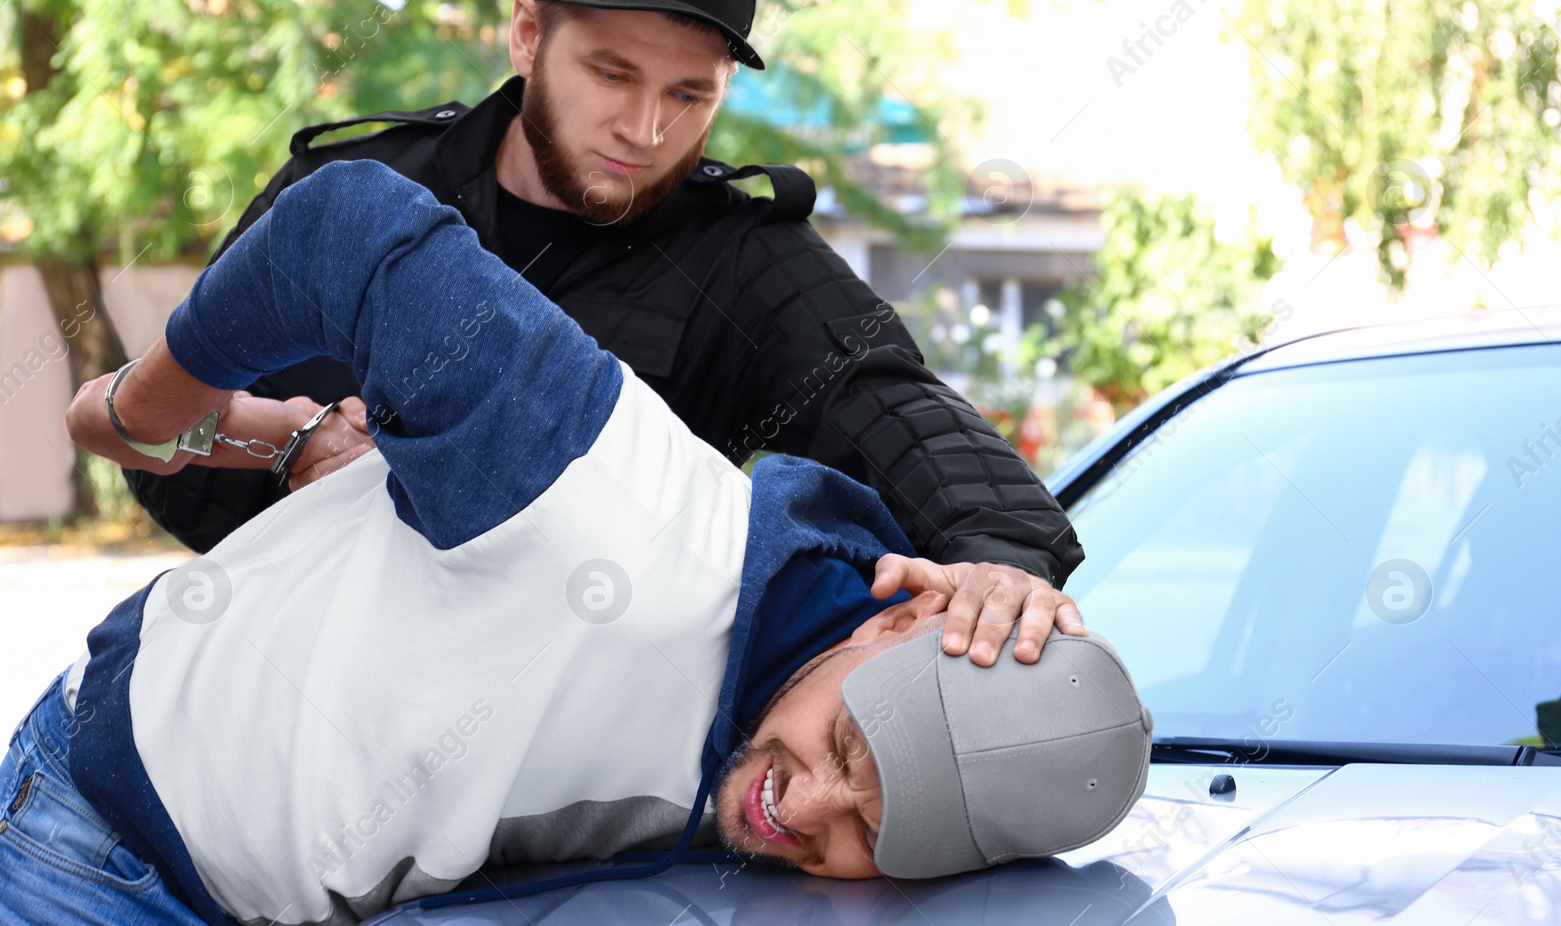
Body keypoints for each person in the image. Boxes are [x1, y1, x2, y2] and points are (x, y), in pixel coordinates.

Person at [3, 160, 1152, 926]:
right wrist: (146, 410)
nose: (803, 812)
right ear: (900, 614)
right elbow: (343, 227)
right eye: (845, 750)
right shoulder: (618, 504)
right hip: (91, 850)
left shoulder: (787, 691)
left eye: (870, 831)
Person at [122, 0, 1089, 623]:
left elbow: (895, 406)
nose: (643, 126)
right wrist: (292, 461)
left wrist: (1001, 560)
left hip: (543, 771)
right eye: (612, 72)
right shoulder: (352, 195)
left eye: (688, 95)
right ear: (528, 35)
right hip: (268, 695)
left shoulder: (742, 257)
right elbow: (155, 428)